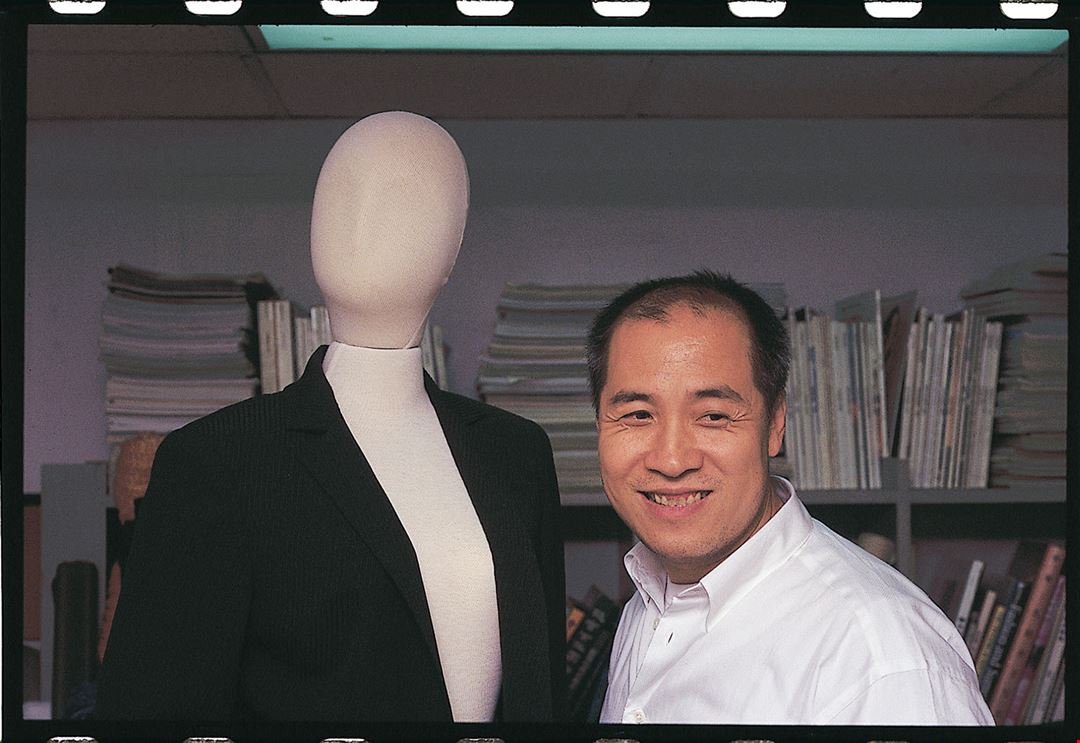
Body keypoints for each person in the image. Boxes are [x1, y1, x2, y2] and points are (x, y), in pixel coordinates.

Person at [95, 112, 566, 722]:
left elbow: (542, 693)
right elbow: (151, 716)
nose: (363, 222)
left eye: (406, 199)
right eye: (343, 195)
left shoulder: (516, 454)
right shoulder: (215, 462)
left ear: (453, 249)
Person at [587, 270, 993, 726]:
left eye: (714, 416)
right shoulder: (650, 598)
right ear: (599, 425)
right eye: (638, 415)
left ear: (775, 423)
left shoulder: (882, 659)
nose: (672, 460)